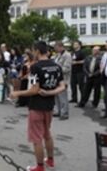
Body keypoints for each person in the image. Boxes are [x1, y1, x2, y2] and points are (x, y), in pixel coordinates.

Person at [10, 41, 66, 171]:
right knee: (47, 134)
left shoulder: (35, 67)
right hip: (49, 106)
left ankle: (40, 167)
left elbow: (34, 90)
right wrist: (50, 93)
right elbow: (62, 86)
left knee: (36, 138)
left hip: (36, 106)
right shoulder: (57, 66)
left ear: (36, 51)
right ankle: (50, 160)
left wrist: (17, 93)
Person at [53, 41, 72, 120]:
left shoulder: (67, 55)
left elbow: (67, 68)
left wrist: (56, 70)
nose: (55, 49)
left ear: (60, 46)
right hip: (56, 78)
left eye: (56, 47)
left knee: (62, 97)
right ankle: (58, 111)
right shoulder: (57, 55)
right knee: (56, 96)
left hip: (63, 78)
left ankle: (64, 113)